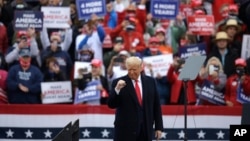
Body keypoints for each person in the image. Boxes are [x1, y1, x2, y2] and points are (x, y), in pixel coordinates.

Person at [107, 56, 163, 141]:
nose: (132, 72)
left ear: (141, 68)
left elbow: (156, 106)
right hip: (125, 131)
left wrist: (159, 127)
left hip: (145, 130)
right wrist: (117, 89)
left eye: (134, 69)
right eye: (129, 70)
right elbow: (111, 104)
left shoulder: (150, 82)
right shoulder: (118, 82)